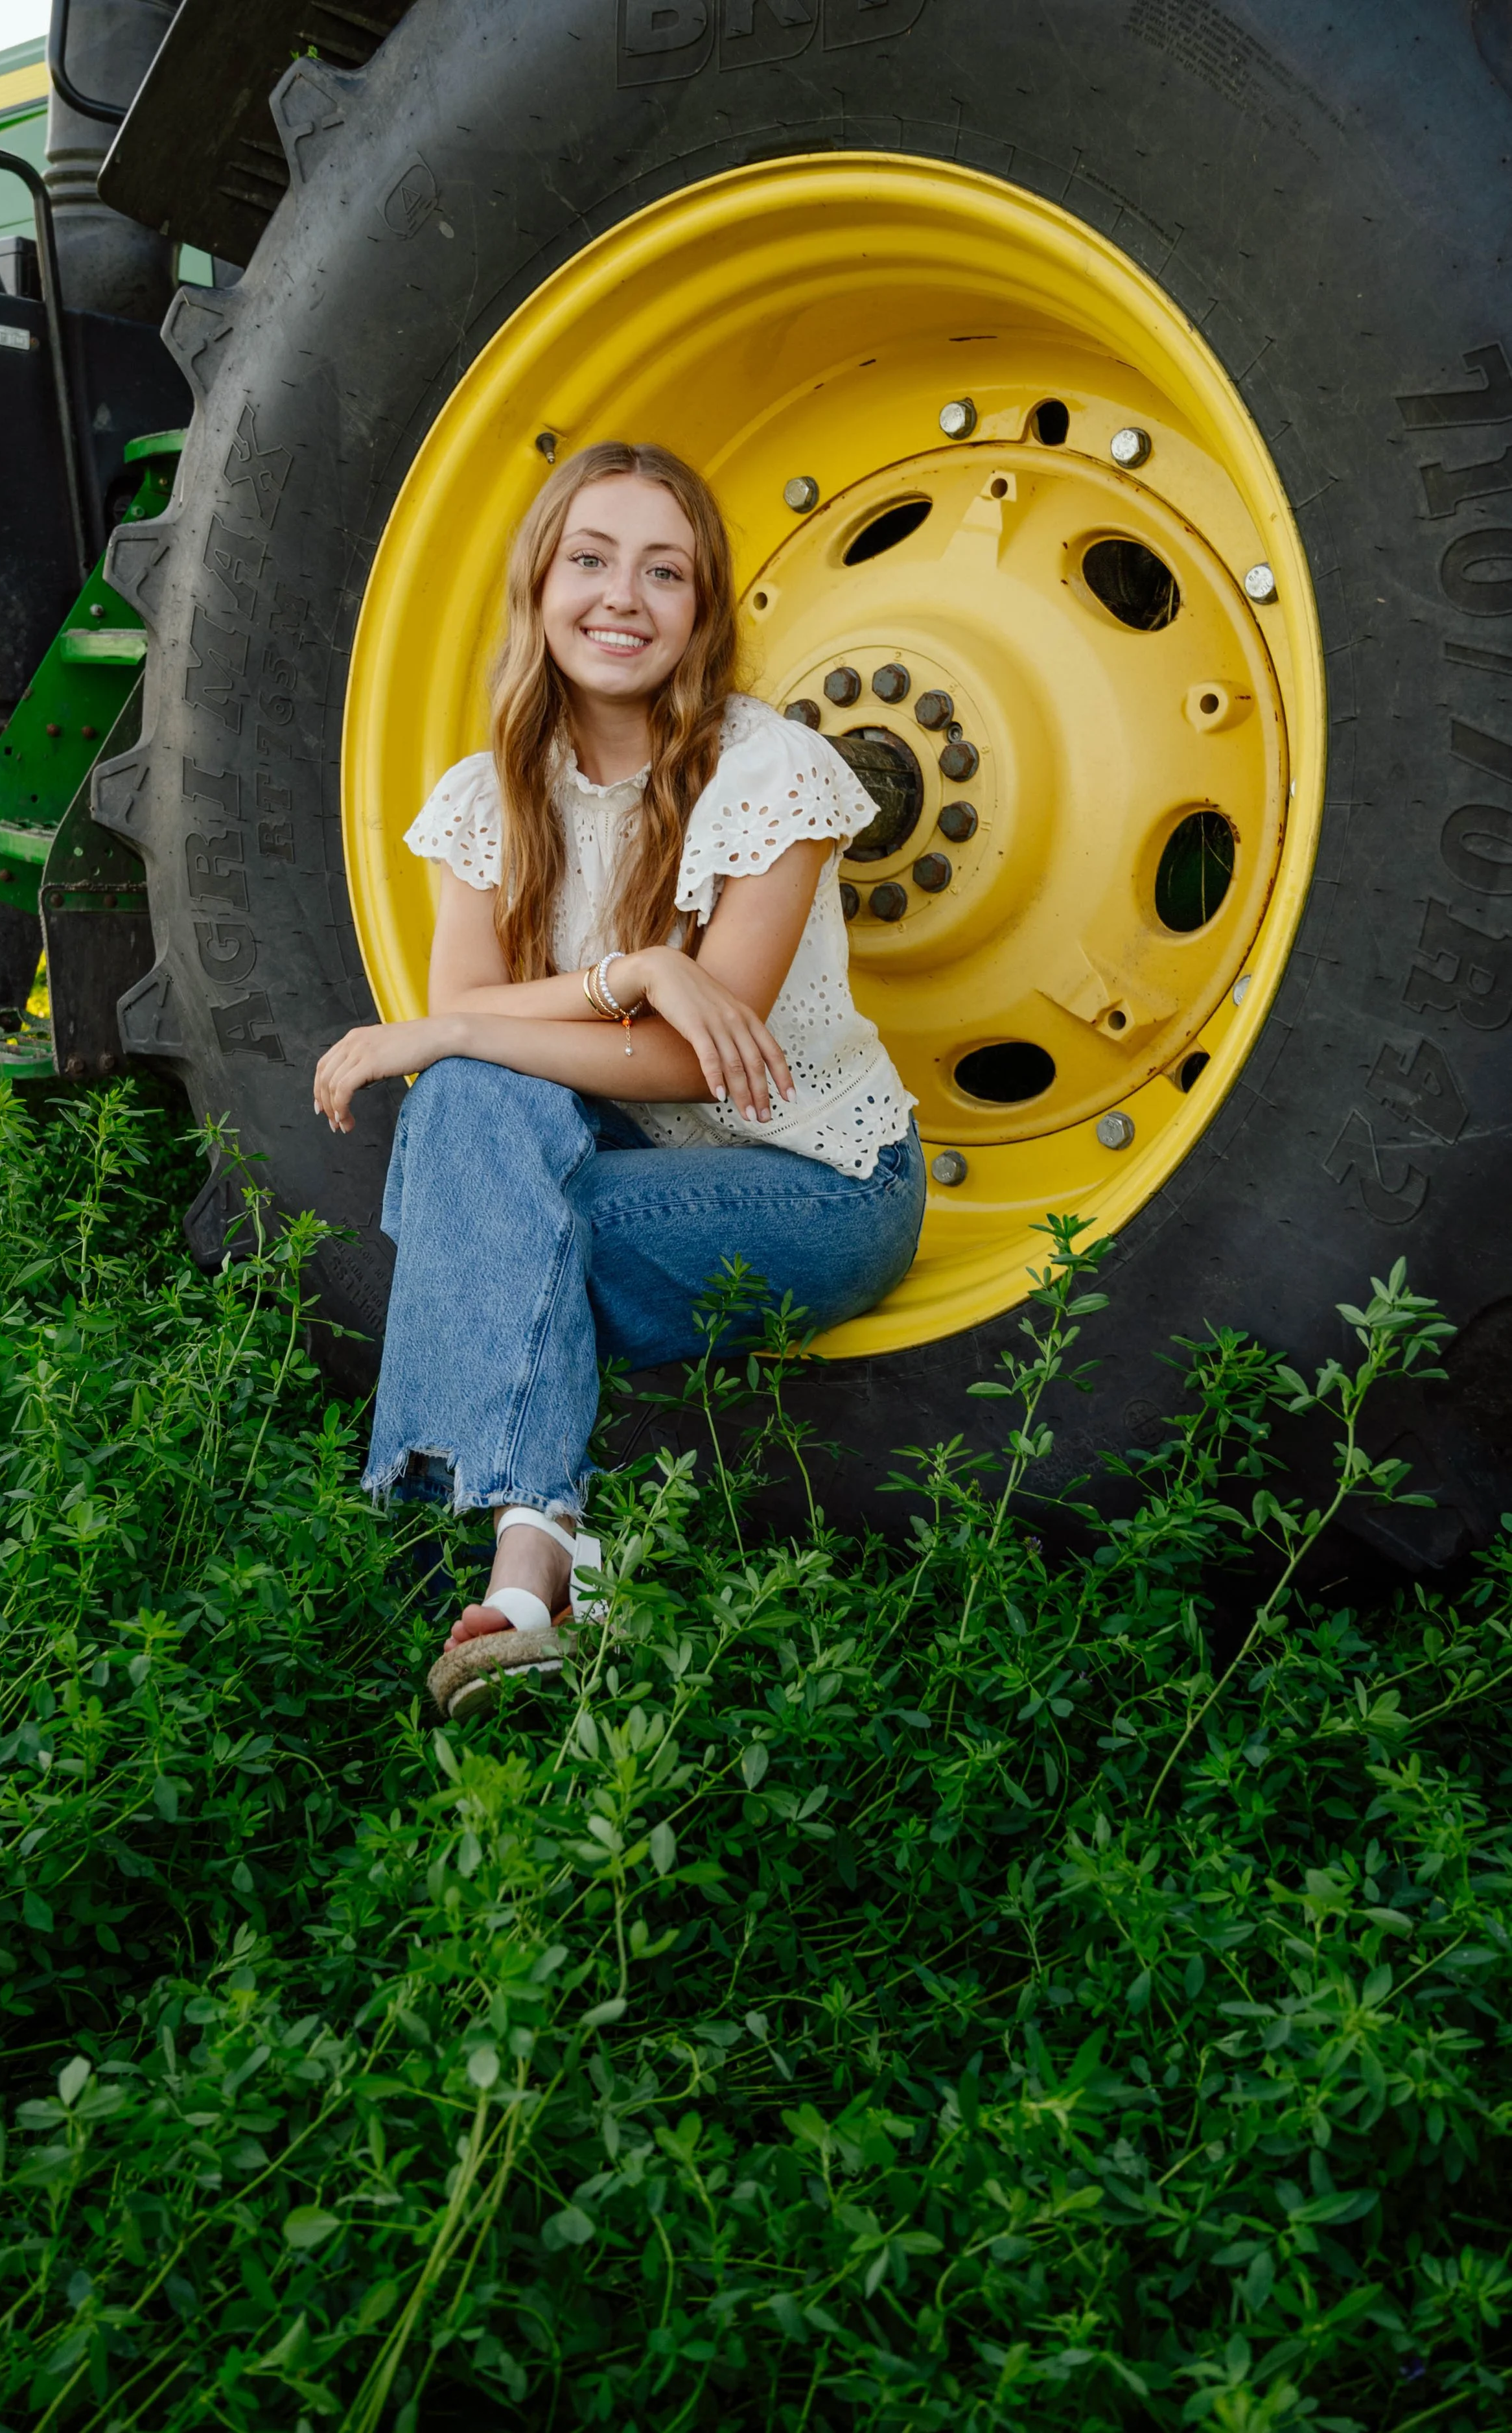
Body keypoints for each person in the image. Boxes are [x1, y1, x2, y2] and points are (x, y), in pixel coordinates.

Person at [313, 441, 925, 1718]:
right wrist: (636, 967)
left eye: (665, 572)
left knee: (498, 1220)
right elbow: (474, 1031)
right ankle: (545, 1571)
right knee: (474, 1102)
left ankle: (531, 1559)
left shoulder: (773, 777)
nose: (621, 599)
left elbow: (688, 1058)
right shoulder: (484, 803)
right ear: (539, 586)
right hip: (640, 1159)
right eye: (589, 560)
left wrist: (503, 1019)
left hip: (812, 1185)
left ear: (700, 613)